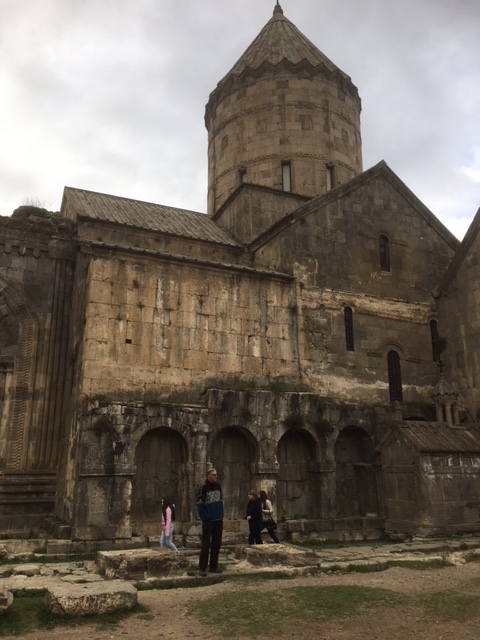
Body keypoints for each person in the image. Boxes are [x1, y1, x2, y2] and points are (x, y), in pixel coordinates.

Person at [197, 468, 224, 576]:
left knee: (217, 544)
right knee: (206, 545)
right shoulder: (203, 487)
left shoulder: (218, 486)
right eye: (214, 475)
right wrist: (204, 518)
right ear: (209, 476)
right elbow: (200, 504)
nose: (216, 476)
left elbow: (220, 501)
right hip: (208, 520)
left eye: (216, 475)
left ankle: (213, 566)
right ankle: (202, 567)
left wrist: (221, 514)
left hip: (218, 519)